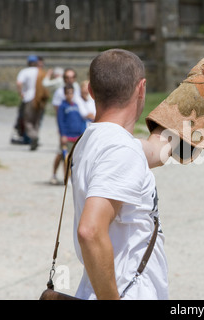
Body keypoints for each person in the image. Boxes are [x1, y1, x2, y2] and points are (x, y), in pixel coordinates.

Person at [71, 49, 173, 300]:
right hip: (128, 290)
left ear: (91, 91)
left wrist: (180, 110)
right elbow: (90, 231)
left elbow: (153, 151)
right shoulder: (120, 149)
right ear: (141, 88)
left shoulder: (91, 140)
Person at [50, 84, 87, 185]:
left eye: (71, 93)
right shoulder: (62, 107)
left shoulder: (76, 106)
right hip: (67, 136)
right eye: (68, 93)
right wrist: (63, 134)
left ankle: (73, 176)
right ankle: (63, 177)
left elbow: (80, 120)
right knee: (64, 157)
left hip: (76, 135)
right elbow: (60, 121)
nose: (70, 95)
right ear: (65, 94)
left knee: (74, 158)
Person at [11, 55, 39, 145]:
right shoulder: (40, 71)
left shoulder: (25, 71)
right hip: (38, 98)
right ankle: (34, 136)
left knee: (27, 120)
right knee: (36, 120)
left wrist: (21, 93)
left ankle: (31, 137)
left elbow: (19, 83)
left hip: (28, 98)